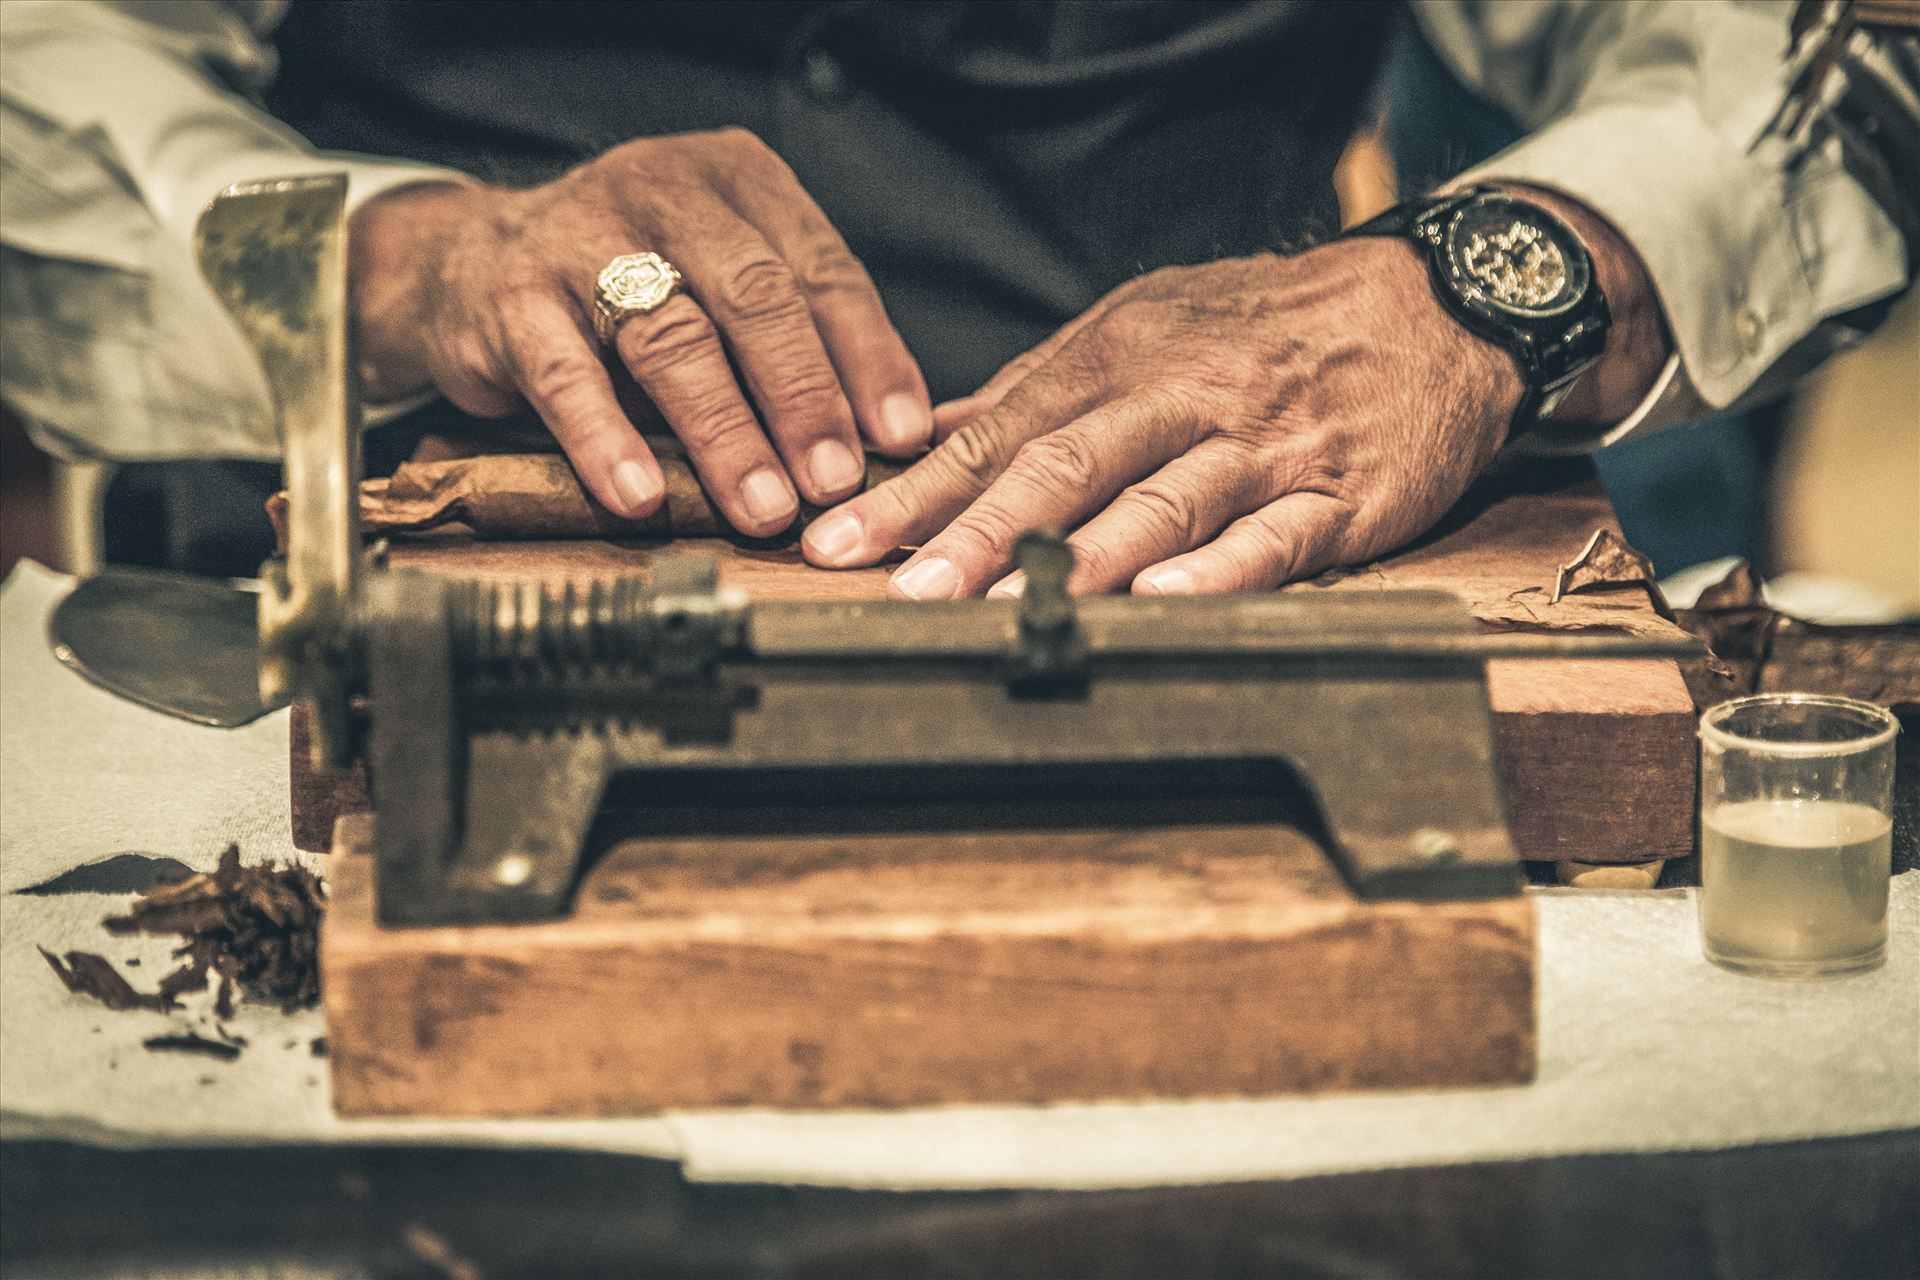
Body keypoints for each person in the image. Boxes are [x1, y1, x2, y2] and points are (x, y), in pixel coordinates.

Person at [3, 1, 1914, 597]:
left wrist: (1489, 281)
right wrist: (393, 251)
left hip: (1206, 598)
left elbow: (1818, 61)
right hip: (396, 570)